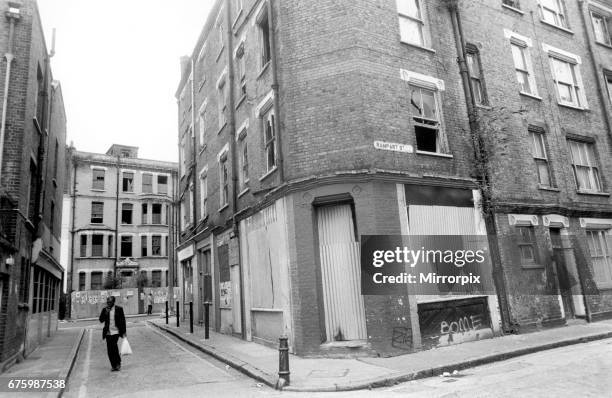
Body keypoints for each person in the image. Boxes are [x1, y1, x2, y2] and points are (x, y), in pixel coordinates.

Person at [99, 296, 126, 371]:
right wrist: (105, 313)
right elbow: (101, 320)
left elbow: (123, 321)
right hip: (108, 333)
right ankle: (113, 365)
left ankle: (118, 363)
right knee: (109, 350)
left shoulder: (119, 309)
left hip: (116, 332)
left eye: (110, 302)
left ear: (113, 302)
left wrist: (124, 332)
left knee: (114, 347)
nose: (108, 303)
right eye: (107, 302)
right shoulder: (105, 309)